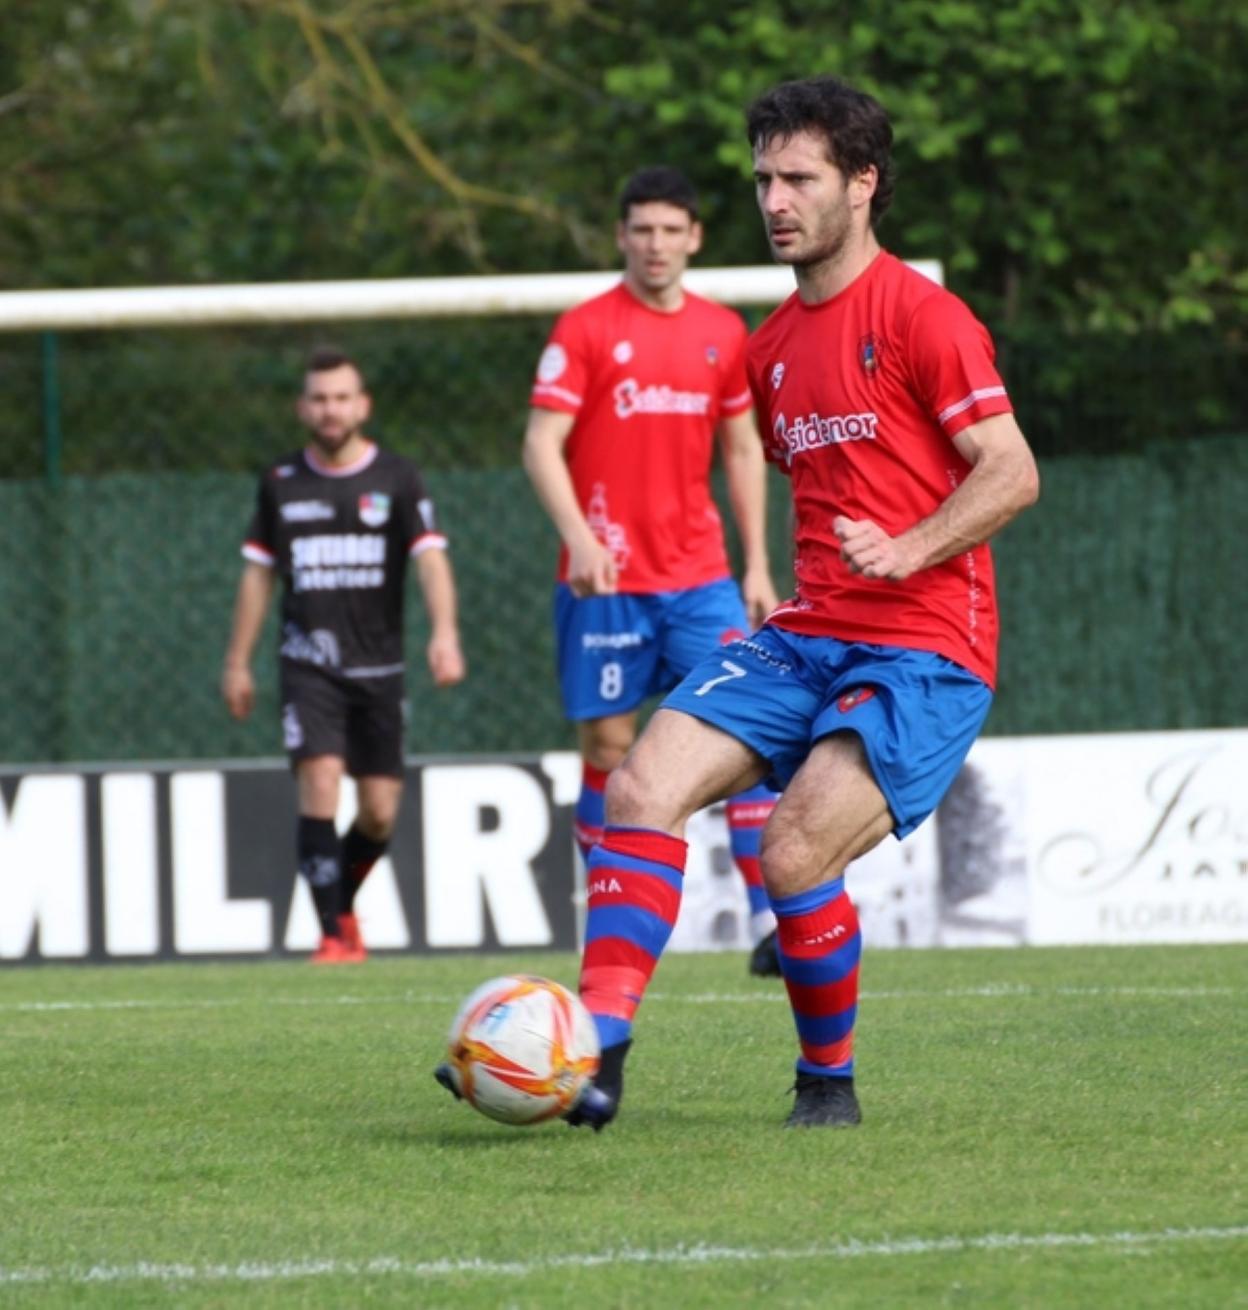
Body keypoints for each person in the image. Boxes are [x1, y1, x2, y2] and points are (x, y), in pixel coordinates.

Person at [559, 76, 1040, 1130]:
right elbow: (812, 487)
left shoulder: (926, 316)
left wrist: (907, 545)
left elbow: (1011, 471)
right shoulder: (768, 350)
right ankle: (594, 1055)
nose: (775, 200)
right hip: (812, 632)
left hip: (925, 647)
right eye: (764, 178)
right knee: (639, 785)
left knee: (790, 849)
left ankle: (829, 1083)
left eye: (800, 178)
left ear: (863, 184)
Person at [520, 164, 785, 974]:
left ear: (695, 238)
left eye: (672, 230)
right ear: (622, 237)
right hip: (605, 581)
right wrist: (581, 537)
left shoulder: (723, 332)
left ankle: (768, 920)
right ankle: (606, 917)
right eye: (643, 230)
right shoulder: (587, 328)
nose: (657, 245)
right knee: (609, 746)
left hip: (700, 575)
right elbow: (540, 443)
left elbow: (743, 449)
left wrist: (758, 564)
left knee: (745, 729)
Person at [222, 346, 465, 963]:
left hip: (380, 671)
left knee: (380, 813)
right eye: (319, 399)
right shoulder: (281, 483)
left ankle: (341, 904)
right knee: (321, 781)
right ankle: (333, 936)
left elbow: (431, 560)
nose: (330, 410)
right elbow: (258, 576)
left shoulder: (398, 478)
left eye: (341, 398)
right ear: (303, 407)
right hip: (309, 666)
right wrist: (237, 661)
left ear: (363, 405)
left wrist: (445, 632)